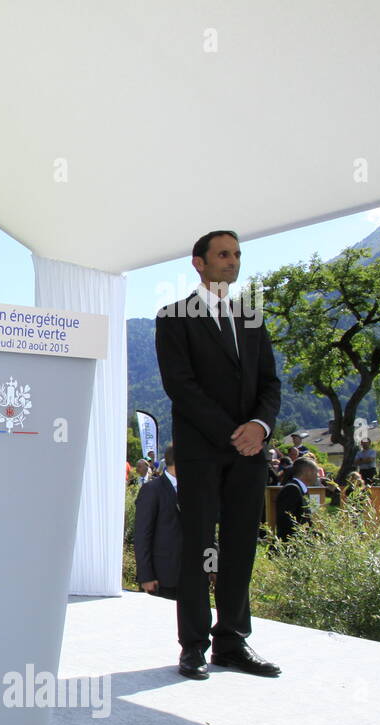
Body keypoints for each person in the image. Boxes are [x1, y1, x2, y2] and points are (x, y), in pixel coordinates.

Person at [154, 230, 281, 680]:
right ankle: (193, 647)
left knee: (241, 547)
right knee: (199, 549)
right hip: (202, 453)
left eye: (237, 254)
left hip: (250, 454)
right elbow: (181, 387)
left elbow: (270, 383)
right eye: (223, 254)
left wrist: (260, 428)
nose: (233, 261)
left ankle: (232, 643)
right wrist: (234, 433)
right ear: (199, 263)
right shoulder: (174, 317)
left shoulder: (252, 317)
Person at [135, 444, 180, 600]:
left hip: (193, 576)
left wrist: (211, 567)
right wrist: (145, 576)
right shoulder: (151, 490)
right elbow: (142, 536)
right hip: (162, 578)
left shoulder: (197, 490)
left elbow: (208, 531)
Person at [275, 457, 318, 544]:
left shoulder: (302, 490)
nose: (317, 475)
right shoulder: (291, 489)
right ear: (307, 471)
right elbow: (286, 520)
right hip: (290, 546)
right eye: (315, 472)